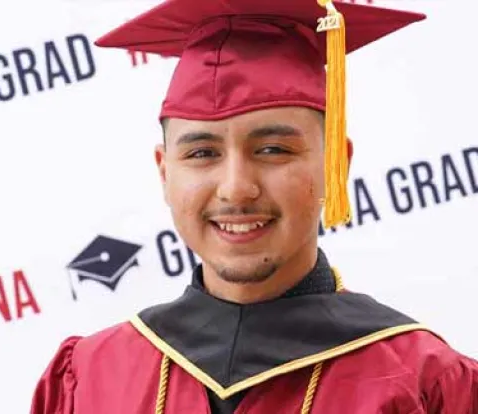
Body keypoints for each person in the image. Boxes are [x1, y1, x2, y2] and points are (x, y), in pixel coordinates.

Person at [30, 0, 478, 412]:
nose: (236, 188)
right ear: (165, 172)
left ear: (335, 162)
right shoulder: (91, 380)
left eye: (272, 150)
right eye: (202, 153)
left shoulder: (425, 383)